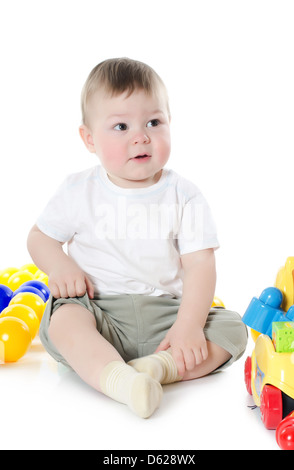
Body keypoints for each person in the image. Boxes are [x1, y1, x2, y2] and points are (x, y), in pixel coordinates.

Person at [27, 58, 247, 419]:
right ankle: (118, 379)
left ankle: (156, 369)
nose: (141, 136)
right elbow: (39, 238)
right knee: (63, 319)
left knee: (232, 329)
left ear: (169, 124)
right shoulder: (78, 191)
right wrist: (60, 265)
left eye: (154, 122)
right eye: (121, 126)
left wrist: (188, 325)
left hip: (166, 318)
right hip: (99, 313)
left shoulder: (184, 195)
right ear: (89, 139)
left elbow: (200, 264)